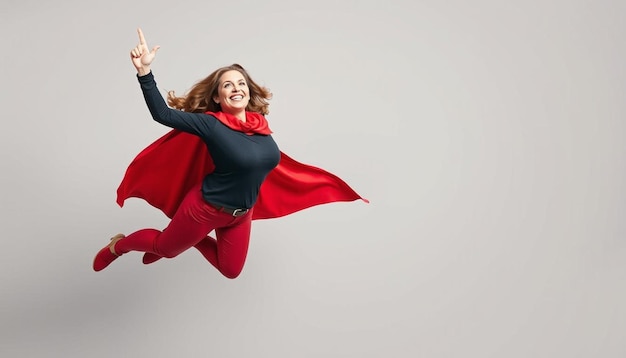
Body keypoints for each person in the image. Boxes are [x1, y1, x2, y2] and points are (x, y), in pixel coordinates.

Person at [93, 28, 367, 278]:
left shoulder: (260, 125)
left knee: (231, 270)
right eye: (227, 85)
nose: (236, 88)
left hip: (241, 215)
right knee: (165, 249)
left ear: (248, 92)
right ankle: (119, 246)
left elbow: (264, 166)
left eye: (241, 83)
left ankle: (191, 238)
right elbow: (161, 114)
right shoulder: (211, 125)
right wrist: (144, 72)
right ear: (217, 97)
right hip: (204, 210)